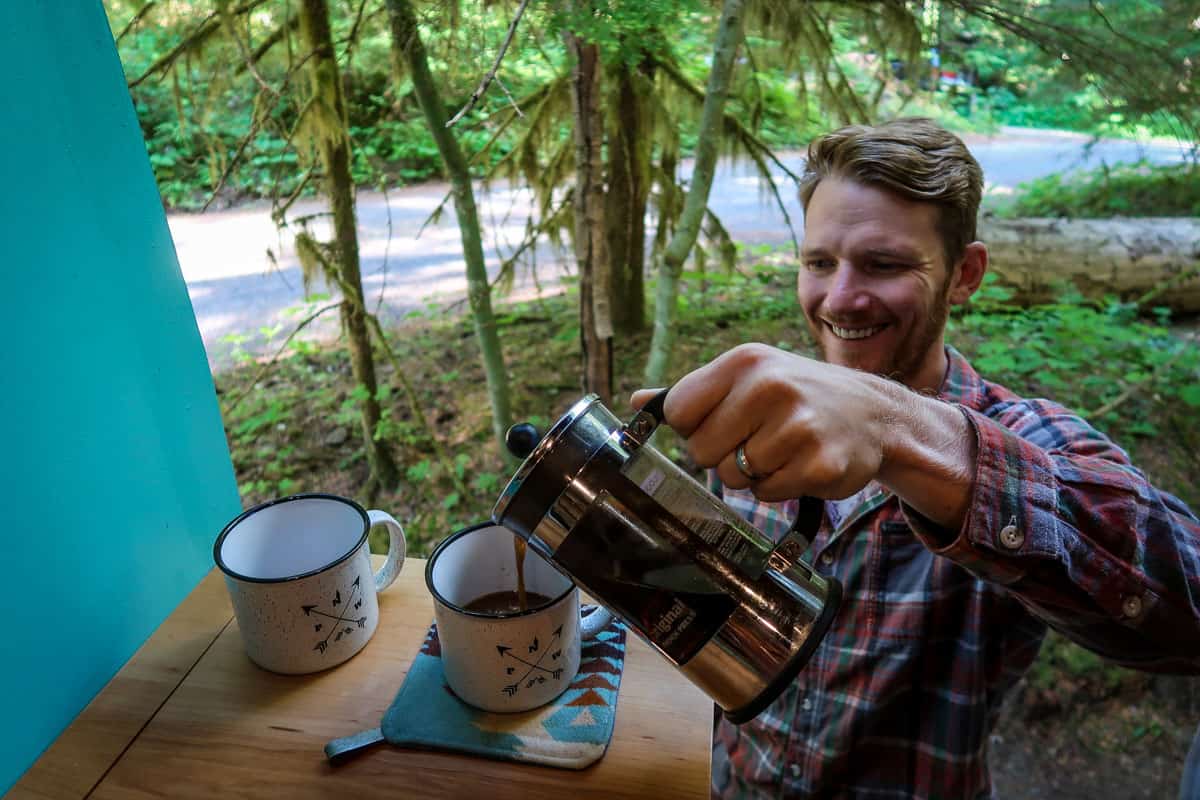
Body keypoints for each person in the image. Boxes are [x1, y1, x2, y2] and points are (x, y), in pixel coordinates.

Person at [632, 117, 1200, 799]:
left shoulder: (1024, 438)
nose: (839, 299)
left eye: (885, 264)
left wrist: (897, 431)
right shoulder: (757, 423)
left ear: (964, 275)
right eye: (819, 263)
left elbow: (1185, 604)